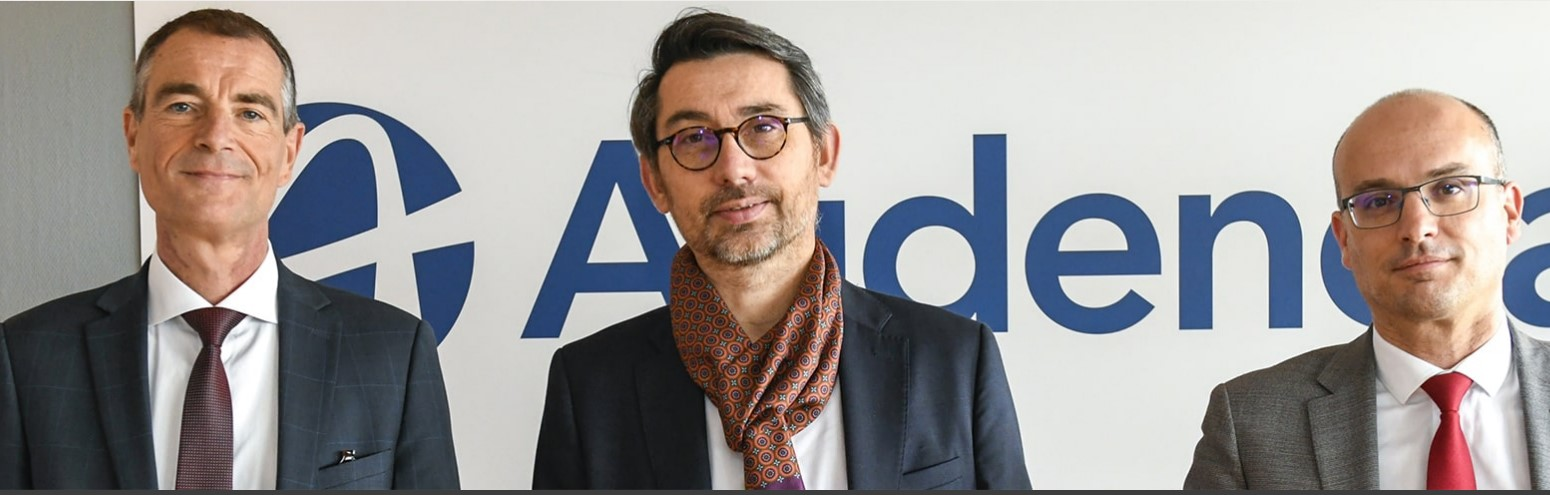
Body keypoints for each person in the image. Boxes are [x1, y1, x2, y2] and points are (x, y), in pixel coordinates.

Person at [532, 9, 1030, 490]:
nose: (733, 168)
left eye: (764, 127)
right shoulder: (592, 389)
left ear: (824, 154)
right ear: (654, 182)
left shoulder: (954, 360)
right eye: (694, 138)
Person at [0, 9, 458, 489]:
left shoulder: (393, 352)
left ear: (288, 152)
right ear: (133, 135)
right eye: (182, 106)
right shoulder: (29, 353)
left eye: (250, 113)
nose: (216, 135)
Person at [1183, 89, 1550, 489]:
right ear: (1344, 240)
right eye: (1378, 201)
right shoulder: (1252, 427)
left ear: (1509, 212)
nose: (1416, 227)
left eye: (1448, 188)